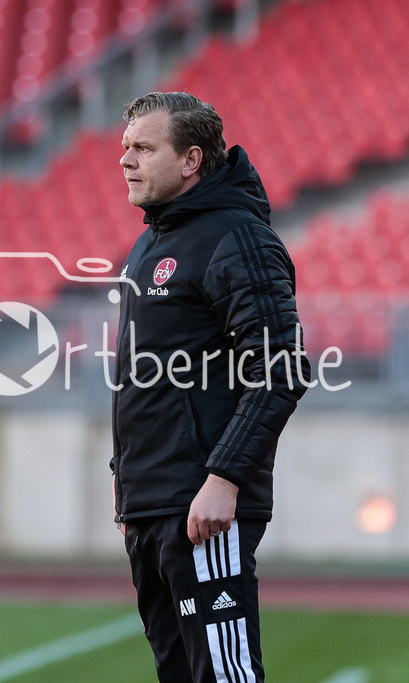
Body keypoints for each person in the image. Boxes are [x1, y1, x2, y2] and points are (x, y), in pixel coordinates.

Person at [112, 92, 310, 682]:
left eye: (143, 148)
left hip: (201, 504)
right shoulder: (151, 243)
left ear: (192, 159)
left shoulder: (235, 237)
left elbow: (280, 370)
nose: (125, 161)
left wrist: (223, 481)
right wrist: (128, 487)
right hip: (152, 503)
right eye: (125, 148)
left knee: (224, 676)